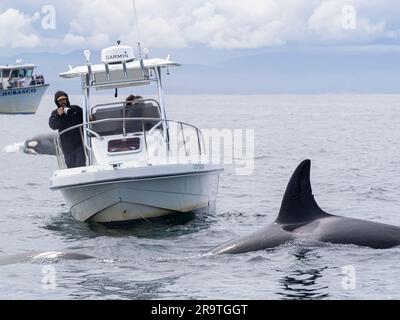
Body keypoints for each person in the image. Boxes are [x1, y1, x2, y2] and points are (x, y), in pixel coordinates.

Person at [49, 91, 86, 168]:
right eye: (60, 100)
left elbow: (86, 118)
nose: (62, 102)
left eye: (64, 99)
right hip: (67, 146)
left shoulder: (76, 109)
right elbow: (53, 126)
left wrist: (91, 117)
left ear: (67, 99)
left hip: (80, 143)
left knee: (81, 164)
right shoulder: (55, 113)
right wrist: (59, 115)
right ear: (57, 102)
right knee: (70, 165)